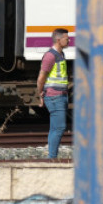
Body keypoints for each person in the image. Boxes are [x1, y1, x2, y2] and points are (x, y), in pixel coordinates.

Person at [36, 28, 70, 159]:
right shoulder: (50, 56)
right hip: (54, 96)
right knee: (60, 127)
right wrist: (41, 95)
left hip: (60, 95)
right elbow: (41, 78)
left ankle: (51, 157)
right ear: (58, 39)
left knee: (55, 128)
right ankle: (52, 158)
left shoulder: (61, 54)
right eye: (66, 38)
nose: (69, 40)